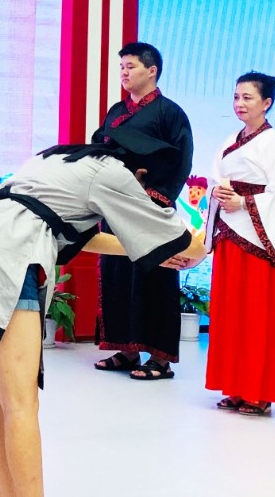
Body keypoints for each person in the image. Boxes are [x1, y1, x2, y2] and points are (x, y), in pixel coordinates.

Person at [0, 128, 207, 497]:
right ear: (140, 173)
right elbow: (181, 241)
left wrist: (146, 250)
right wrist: (195, 251)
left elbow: (79, 235)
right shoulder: (114, 173)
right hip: (9, 255)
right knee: (21, 401)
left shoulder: (59, 157)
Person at [90, 42, 194, 382]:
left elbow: (180, 160)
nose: (123, 72)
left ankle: (160, 359)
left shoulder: (170, 113)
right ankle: (127, 349)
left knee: (155, 276)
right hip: (116, 205)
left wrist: (153, 194)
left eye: (130, 66)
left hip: (151, 208)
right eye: (121, 66)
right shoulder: (116, 111)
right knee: (117, 273)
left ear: (152, 71)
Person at [202, 72, 275, 418]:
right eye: (236, 97)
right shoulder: (230, 140)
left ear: (266, 103)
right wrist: (218, 193)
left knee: (258, 316)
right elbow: (216, 178)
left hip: (259, 238)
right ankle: (233, 385)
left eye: (248, 98)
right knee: (230, 314)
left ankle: (259, 391)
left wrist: (244, 202)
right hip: (230, 236)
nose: (239, 104)